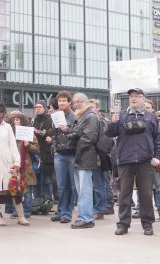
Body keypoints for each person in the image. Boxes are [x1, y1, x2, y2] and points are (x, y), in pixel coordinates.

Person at [107, 88, 160, 236]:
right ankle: (123, 224)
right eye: (131, 96)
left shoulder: (151, 117)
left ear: (143, 99)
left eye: (137, 96)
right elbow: (109, 134)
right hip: (125, 160)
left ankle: (147, 224)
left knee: (146, 195)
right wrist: (112, 123)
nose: (133, 99)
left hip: (146, 161)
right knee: (124, 195)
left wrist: (158, 156)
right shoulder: (120, 115)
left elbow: (158, 138)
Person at [67, 93, 99, 229]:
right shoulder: (83, 116)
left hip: (85, 157)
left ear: (86, 102)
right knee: (81, 189)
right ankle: (85, 217)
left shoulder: (90, 116)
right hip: (81, 157)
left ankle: (86, 218)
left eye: (79, 101)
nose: (76, 104)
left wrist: (76, 148)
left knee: (84, 190)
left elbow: (88, 138)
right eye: (75, 102)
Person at [49, 91, 78, 224]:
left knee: (72, 185)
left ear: (69, 102)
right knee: (61, 186)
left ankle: (68, 212)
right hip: (60, 154)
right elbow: (54, 134)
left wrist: (68, 130)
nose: (61, 103)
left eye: (64, 101)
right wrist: (55, 149)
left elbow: (79, 134)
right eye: (59, 100)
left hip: (72, 153)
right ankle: (62, 211)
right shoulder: (56, 116)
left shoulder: (75, 116)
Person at [32, 100, 55, 203]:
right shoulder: (33, 120)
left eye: (40, 106)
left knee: (46, 179)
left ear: (45, 108)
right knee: (36, 179)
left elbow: (54, 133)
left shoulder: (51, 119)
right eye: (36, 107)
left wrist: (46, 135)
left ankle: (48, 202)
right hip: (36, 152)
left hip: (47, 153)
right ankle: (37, 203)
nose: (37, 108)